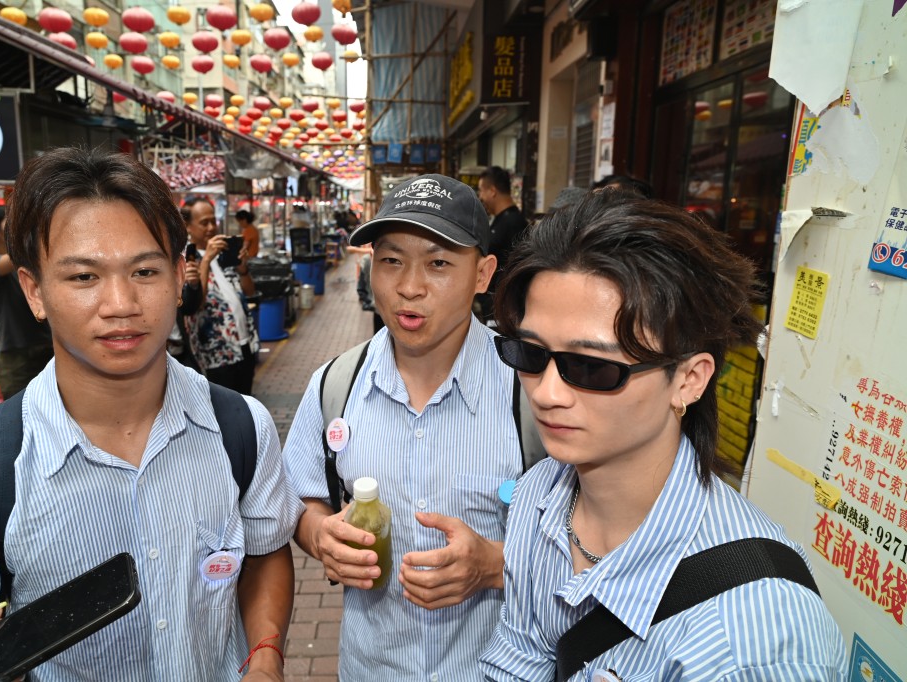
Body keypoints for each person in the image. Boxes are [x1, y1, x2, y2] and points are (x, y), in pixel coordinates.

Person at [0, 147, 301, 681]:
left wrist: (265, 657)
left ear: (181, 277)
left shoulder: (241, 430)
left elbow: (264, 552)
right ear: (35, 292)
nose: (120, 303)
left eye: (145, 270)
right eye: (83, 277)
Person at [479, 190, 847, 680]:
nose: (547, 393)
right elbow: (516, 662)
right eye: (529, 354)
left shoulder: (752, 642)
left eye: (591, 367)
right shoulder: (538, 498)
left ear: (689, 379)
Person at [283, 174, 526, 681]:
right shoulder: (334, 388)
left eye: (439, 263)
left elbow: (598, 542)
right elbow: (303, 499)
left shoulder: (532, 391)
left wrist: (496, 564)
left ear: (483, 274)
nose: (409, 287)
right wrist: (319, 536)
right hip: (370, 667)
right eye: (391, 260)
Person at [0, 205, 54, 398]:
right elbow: (14, 260)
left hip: (50, 350)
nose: (18, 227)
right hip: (16, 359)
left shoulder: (32, 265)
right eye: (10, 223)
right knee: (21, 420)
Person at [182, 198, 260, 395]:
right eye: (204, 223)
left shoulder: (225, 254)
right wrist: (206, 260)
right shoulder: (184, 261)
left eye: (213, 221)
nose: (210, 227)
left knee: (246, 404)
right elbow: (195, 305)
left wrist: (243, 269)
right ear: (188, 226)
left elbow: (250, 293)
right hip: (216, 354)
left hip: (245, 344)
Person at [476, 167, 528, 322]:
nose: (480, 197)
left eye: (481, 191)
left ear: (492, 191)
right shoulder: (500, 220)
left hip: (502, 309)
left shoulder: (514, 223)